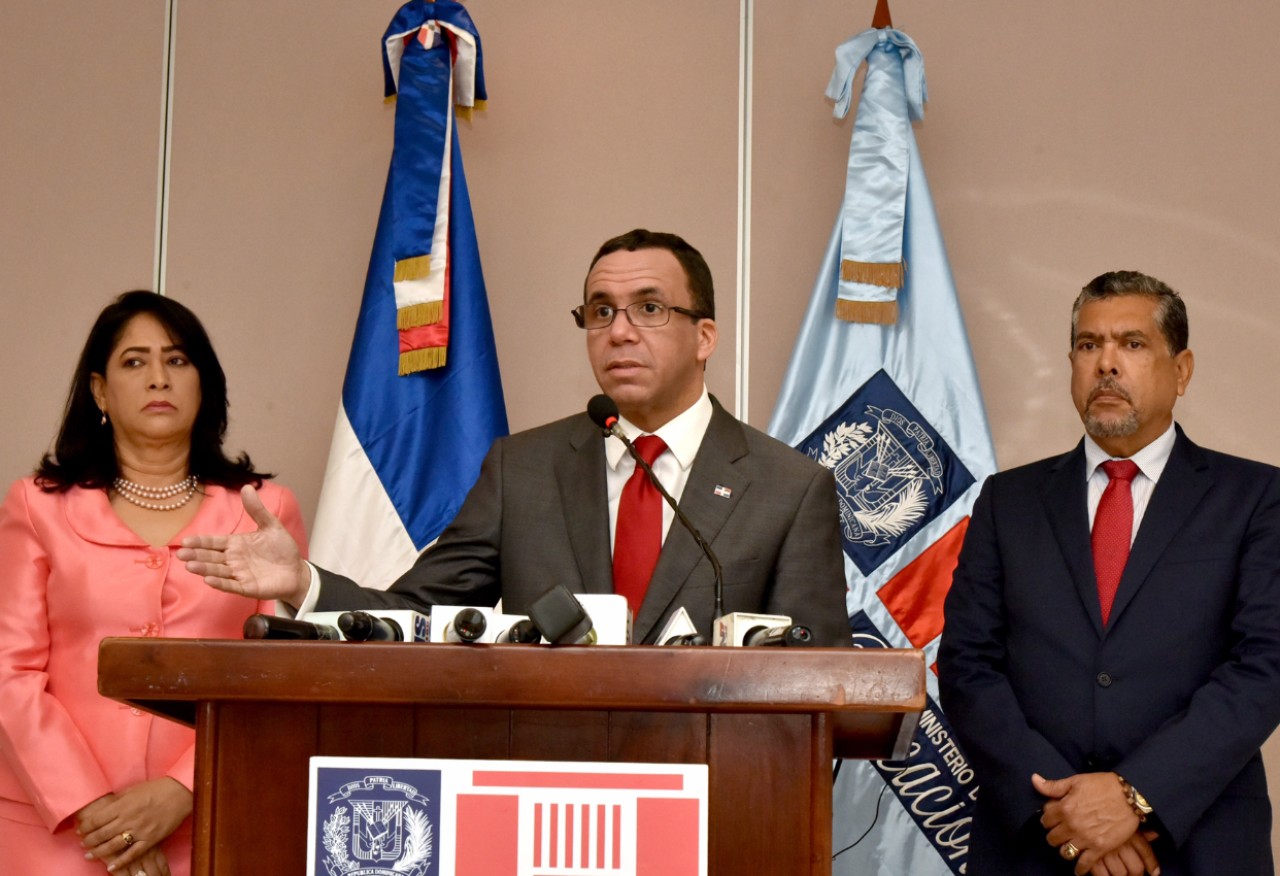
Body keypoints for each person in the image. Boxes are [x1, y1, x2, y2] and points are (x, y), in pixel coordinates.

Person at [181, 229, 849, 645]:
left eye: (649, 308)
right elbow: (417, 614)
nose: (618, 331)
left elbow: (818, 673)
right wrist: (303, 581)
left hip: (722, 809)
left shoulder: (788, 489)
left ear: (705, 336)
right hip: (548, 796)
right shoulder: (523, 470)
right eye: (599, 311)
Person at [938, 271, 1280, 875]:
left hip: (1196, 841)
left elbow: (1264, 667)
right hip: (1035, 841)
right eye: (1089, 346)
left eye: (1133, 343)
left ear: (1182, 371)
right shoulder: (1007, 501)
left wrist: (1135, 796)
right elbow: (968, 666)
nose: (1106, 365)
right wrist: (1067, 810)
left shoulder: (1255, 497)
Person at [0, 292, 308, 876]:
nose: (158, 377)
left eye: (178, 360)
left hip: (216, 818)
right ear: (99, 392)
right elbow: (8, 674)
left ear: (204, 383)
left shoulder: (264, 510)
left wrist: (183, 791)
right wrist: (101, 817)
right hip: (61, 829)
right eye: (135, 362)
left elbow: (282, 677)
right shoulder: (35, 506)